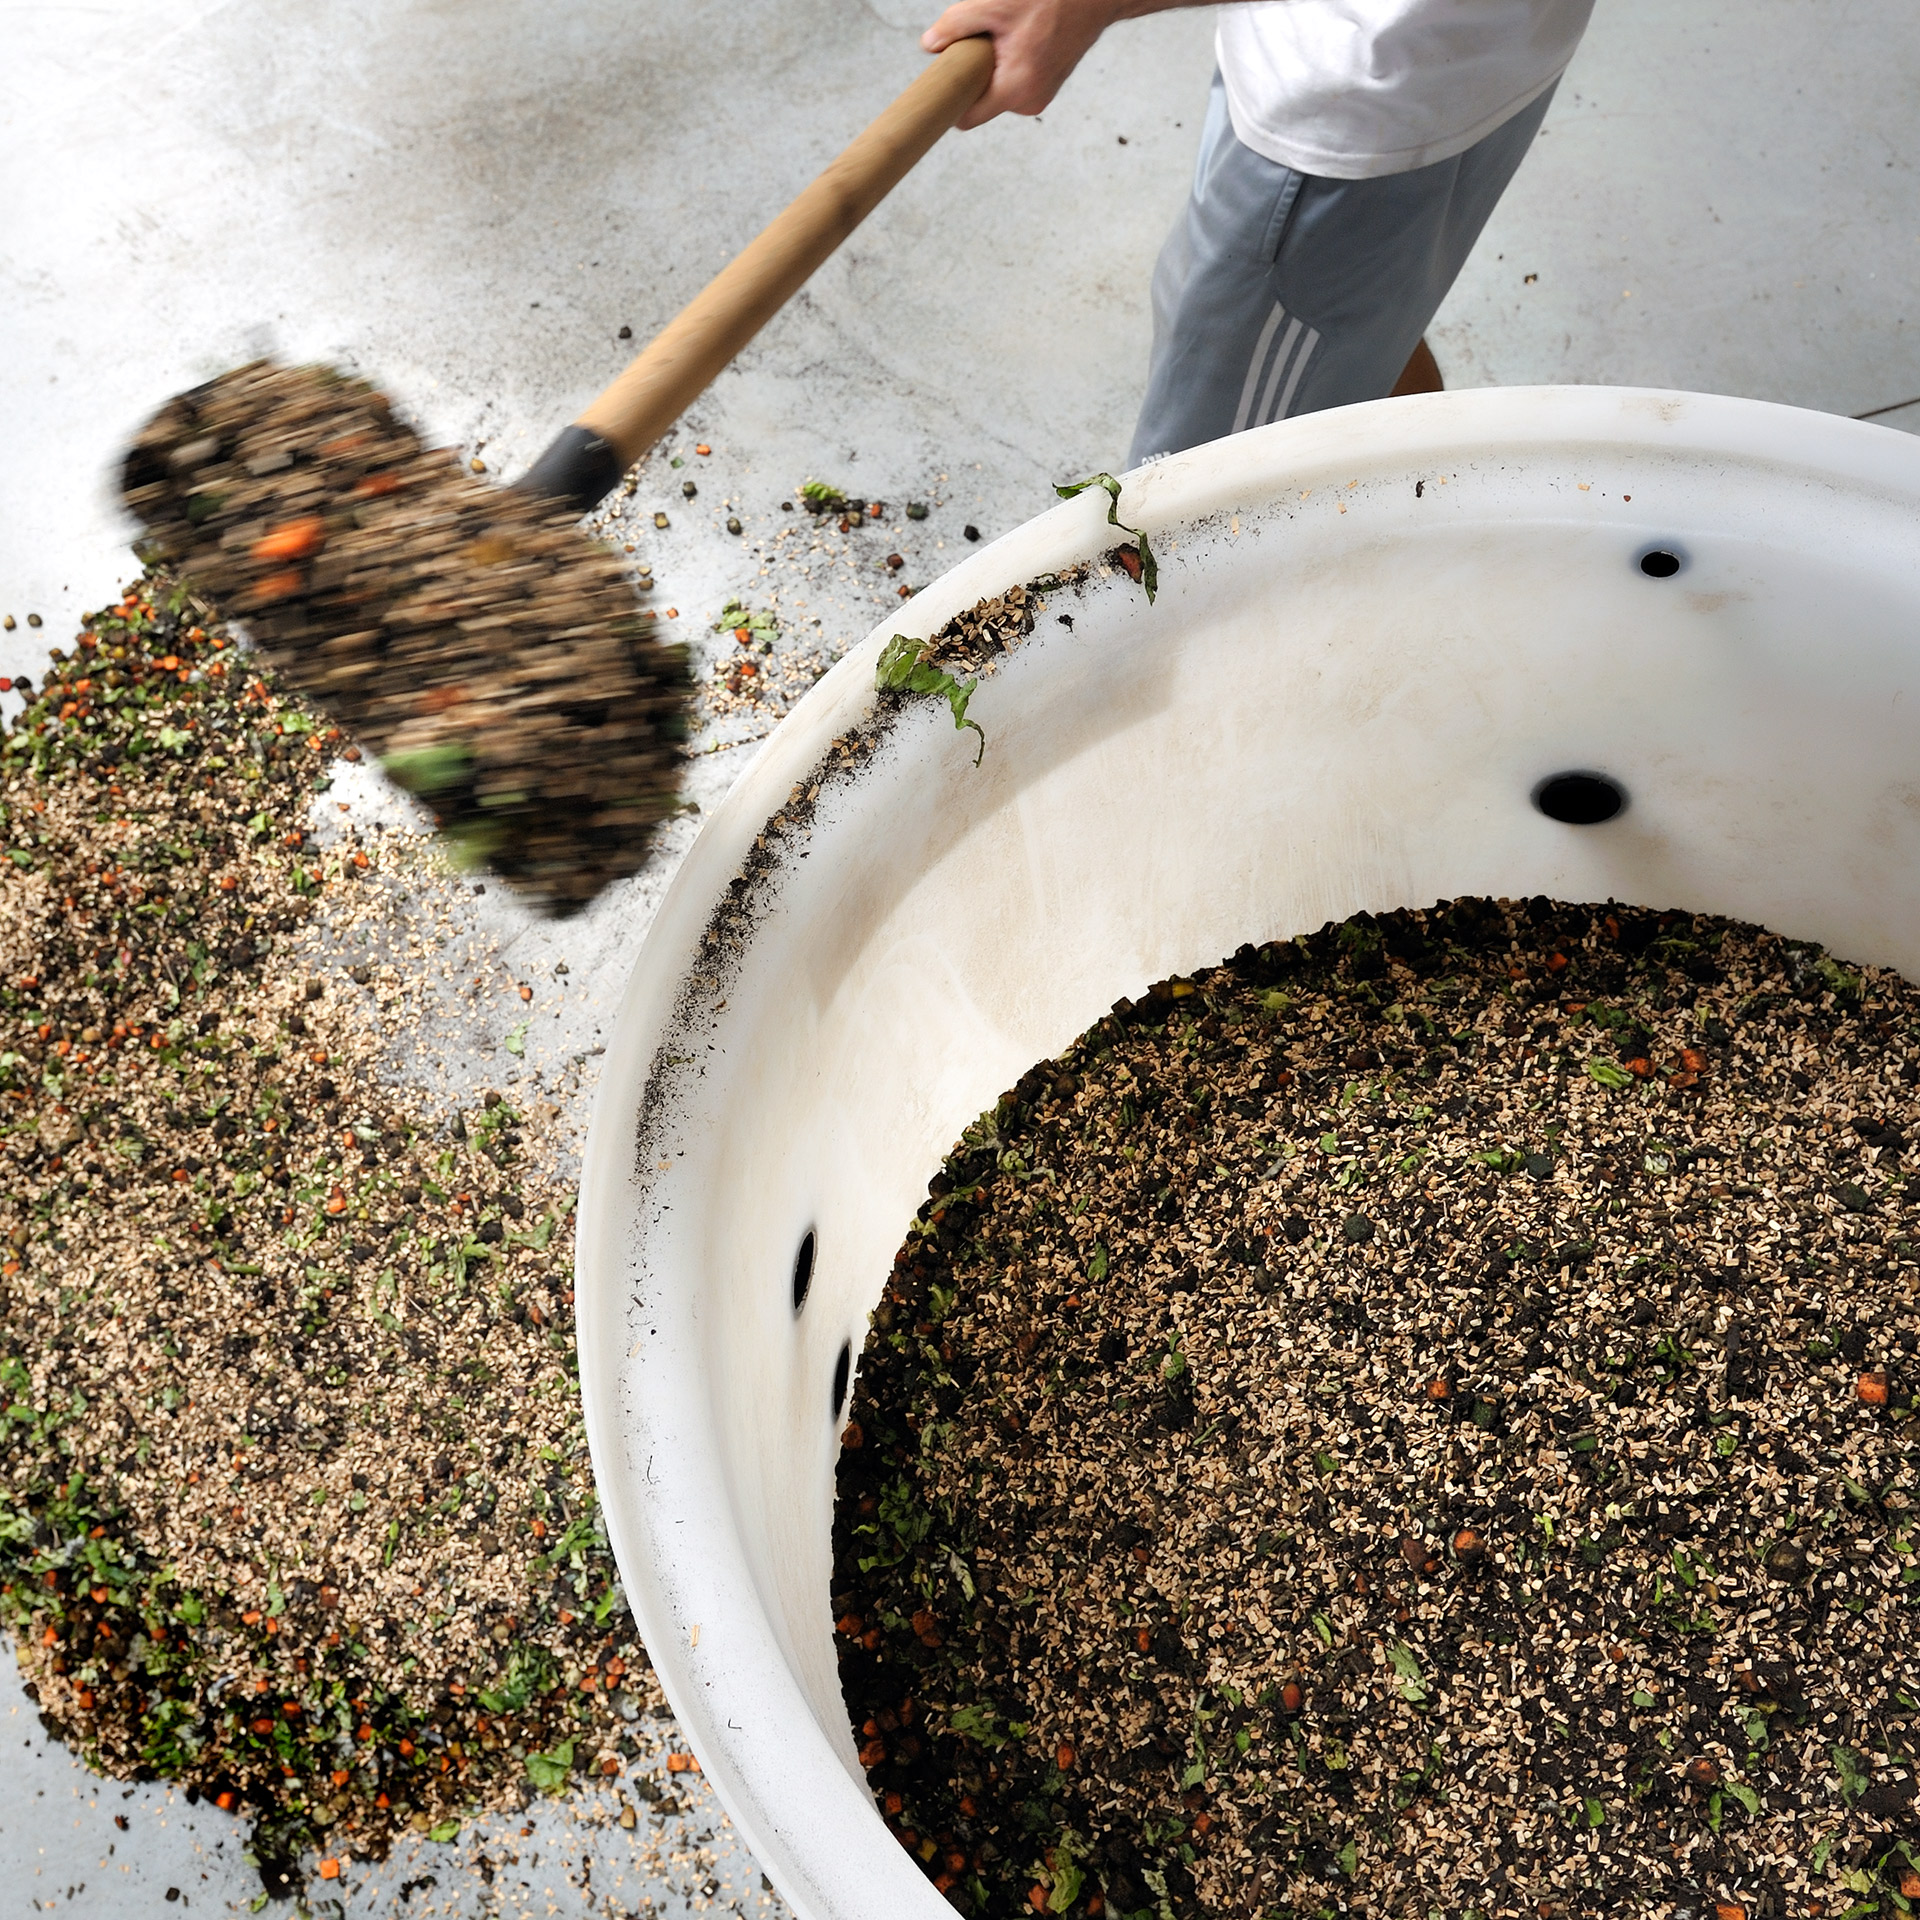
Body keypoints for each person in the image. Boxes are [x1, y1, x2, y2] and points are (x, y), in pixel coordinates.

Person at [921, 0, 1595, 465]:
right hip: (1445, 50)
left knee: (1198, 515)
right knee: (1350, 344)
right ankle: (1432, 546)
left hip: (1352, 108)